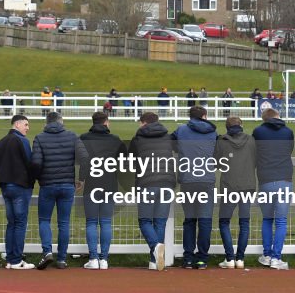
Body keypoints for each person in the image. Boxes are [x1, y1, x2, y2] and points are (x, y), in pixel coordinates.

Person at [31, 111, 89, 270]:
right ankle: (62, 259)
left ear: (46, 122)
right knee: (64, 222)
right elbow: (84, 158)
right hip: (67, 185)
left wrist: (38, 178)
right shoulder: (72, 136)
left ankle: (47, 252)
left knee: (44, 220)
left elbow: (36, 163)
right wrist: (80, 179)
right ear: (61, 121)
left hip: (47, 185)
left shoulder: (40, 137)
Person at [172, 105, 218, 269]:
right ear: (205, 116)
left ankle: (188, 258)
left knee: (190, 220)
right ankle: (202, 259)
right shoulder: (213, 131)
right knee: (205, 220)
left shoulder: (181, 130)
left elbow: (172, 143)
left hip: (188, 179)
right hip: (206, 179)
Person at [79, 111, 126, 270]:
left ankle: (93, 258)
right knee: (106, 222)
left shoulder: (84, 138)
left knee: (91, 222)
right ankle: (104, 259)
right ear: (106, 122)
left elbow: (81, 161)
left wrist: (81, 178)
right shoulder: (115, 140)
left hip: (91, 184)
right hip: (109, 183)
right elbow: (124, 160)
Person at [130, 112, 175, 270]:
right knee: (160, 222)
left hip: (147, 182)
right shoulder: (167, 137)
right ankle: (155, 260)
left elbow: (131, 160)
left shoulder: (138, 139)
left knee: (145, 221)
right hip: (167, 182)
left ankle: (155, 248)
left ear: (143, 123)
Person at [252, 107, 294, 270]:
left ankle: (267, 254)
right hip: (284, 178)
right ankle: (276, 257)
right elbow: (290, 150)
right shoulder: (287, 132)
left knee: (267, 219)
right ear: (278, 116)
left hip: (265, 179)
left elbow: (254, 151)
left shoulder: (258, 132)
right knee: (281, 220)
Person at [0, 114, 35, 270]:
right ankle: (16, 259)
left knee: (11, 223)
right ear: (17, 124)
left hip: (6, 186)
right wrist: (31, 181)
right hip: (20, 186)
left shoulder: (0, 143)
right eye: (26, 124)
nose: (27, 127)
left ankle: (11, 259)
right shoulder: (22, 141)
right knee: (19, 223)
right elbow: (29, 163)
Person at [215, 116, 255, 269]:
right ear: (241, 125)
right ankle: (240, 258)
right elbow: (255, 159)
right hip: (247, 185)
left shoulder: (221, 141)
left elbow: (217, 162)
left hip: (229, 185)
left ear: (227, 127)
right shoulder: (251, 140)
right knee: (244, 222)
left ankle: (230, 257)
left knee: (224, 222)